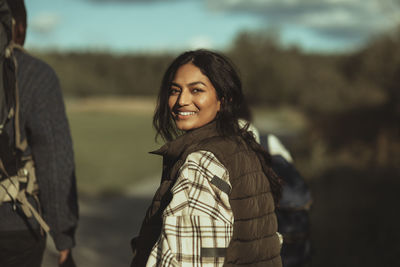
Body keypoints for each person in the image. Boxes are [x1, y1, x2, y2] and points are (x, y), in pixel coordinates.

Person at [130, 49, 283, 266]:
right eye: (175, 90)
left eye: (196, 90)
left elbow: (194, 258)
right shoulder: (242, 147)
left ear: (223, 99)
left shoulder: (202, 163)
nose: (182, 100)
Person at [0, 0, 78, 266]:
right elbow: (55, 162)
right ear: (18, 27)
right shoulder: (36, 74)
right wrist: (64, 237)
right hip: (17, 225)